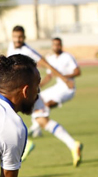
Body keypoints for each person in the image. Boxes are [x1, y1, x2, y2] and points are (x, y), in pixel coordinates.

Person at [0, 26, 81, 167]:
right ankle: (73, 145)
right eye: (15, 37)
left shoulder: (28, 51)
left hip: (24, 92)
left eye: (20, 37)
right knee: (42, 121)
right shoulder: (12, 46)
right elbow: (6, 56)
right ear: (12, 37)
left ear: (24, 37)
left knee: (2, 113)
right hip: (19, 91)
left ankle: (26, 143)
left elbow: (47, 65)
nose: (18, 39)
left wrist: (64, 79)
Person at [29, 37, 83, 167]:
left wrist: (65, 77)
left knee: (45, 105)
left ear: (61, 45)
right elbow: (49, 76)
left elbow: (78, 71)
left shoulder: (67, 57)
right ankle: (36, 128)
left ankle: (33, 131)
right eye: (54, 45)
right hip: (58, 86)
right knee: (35, 100)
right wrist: (38, 86)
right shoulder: (51, 59)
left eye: (58, 44)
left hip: (67, 88)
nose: (56, 47)